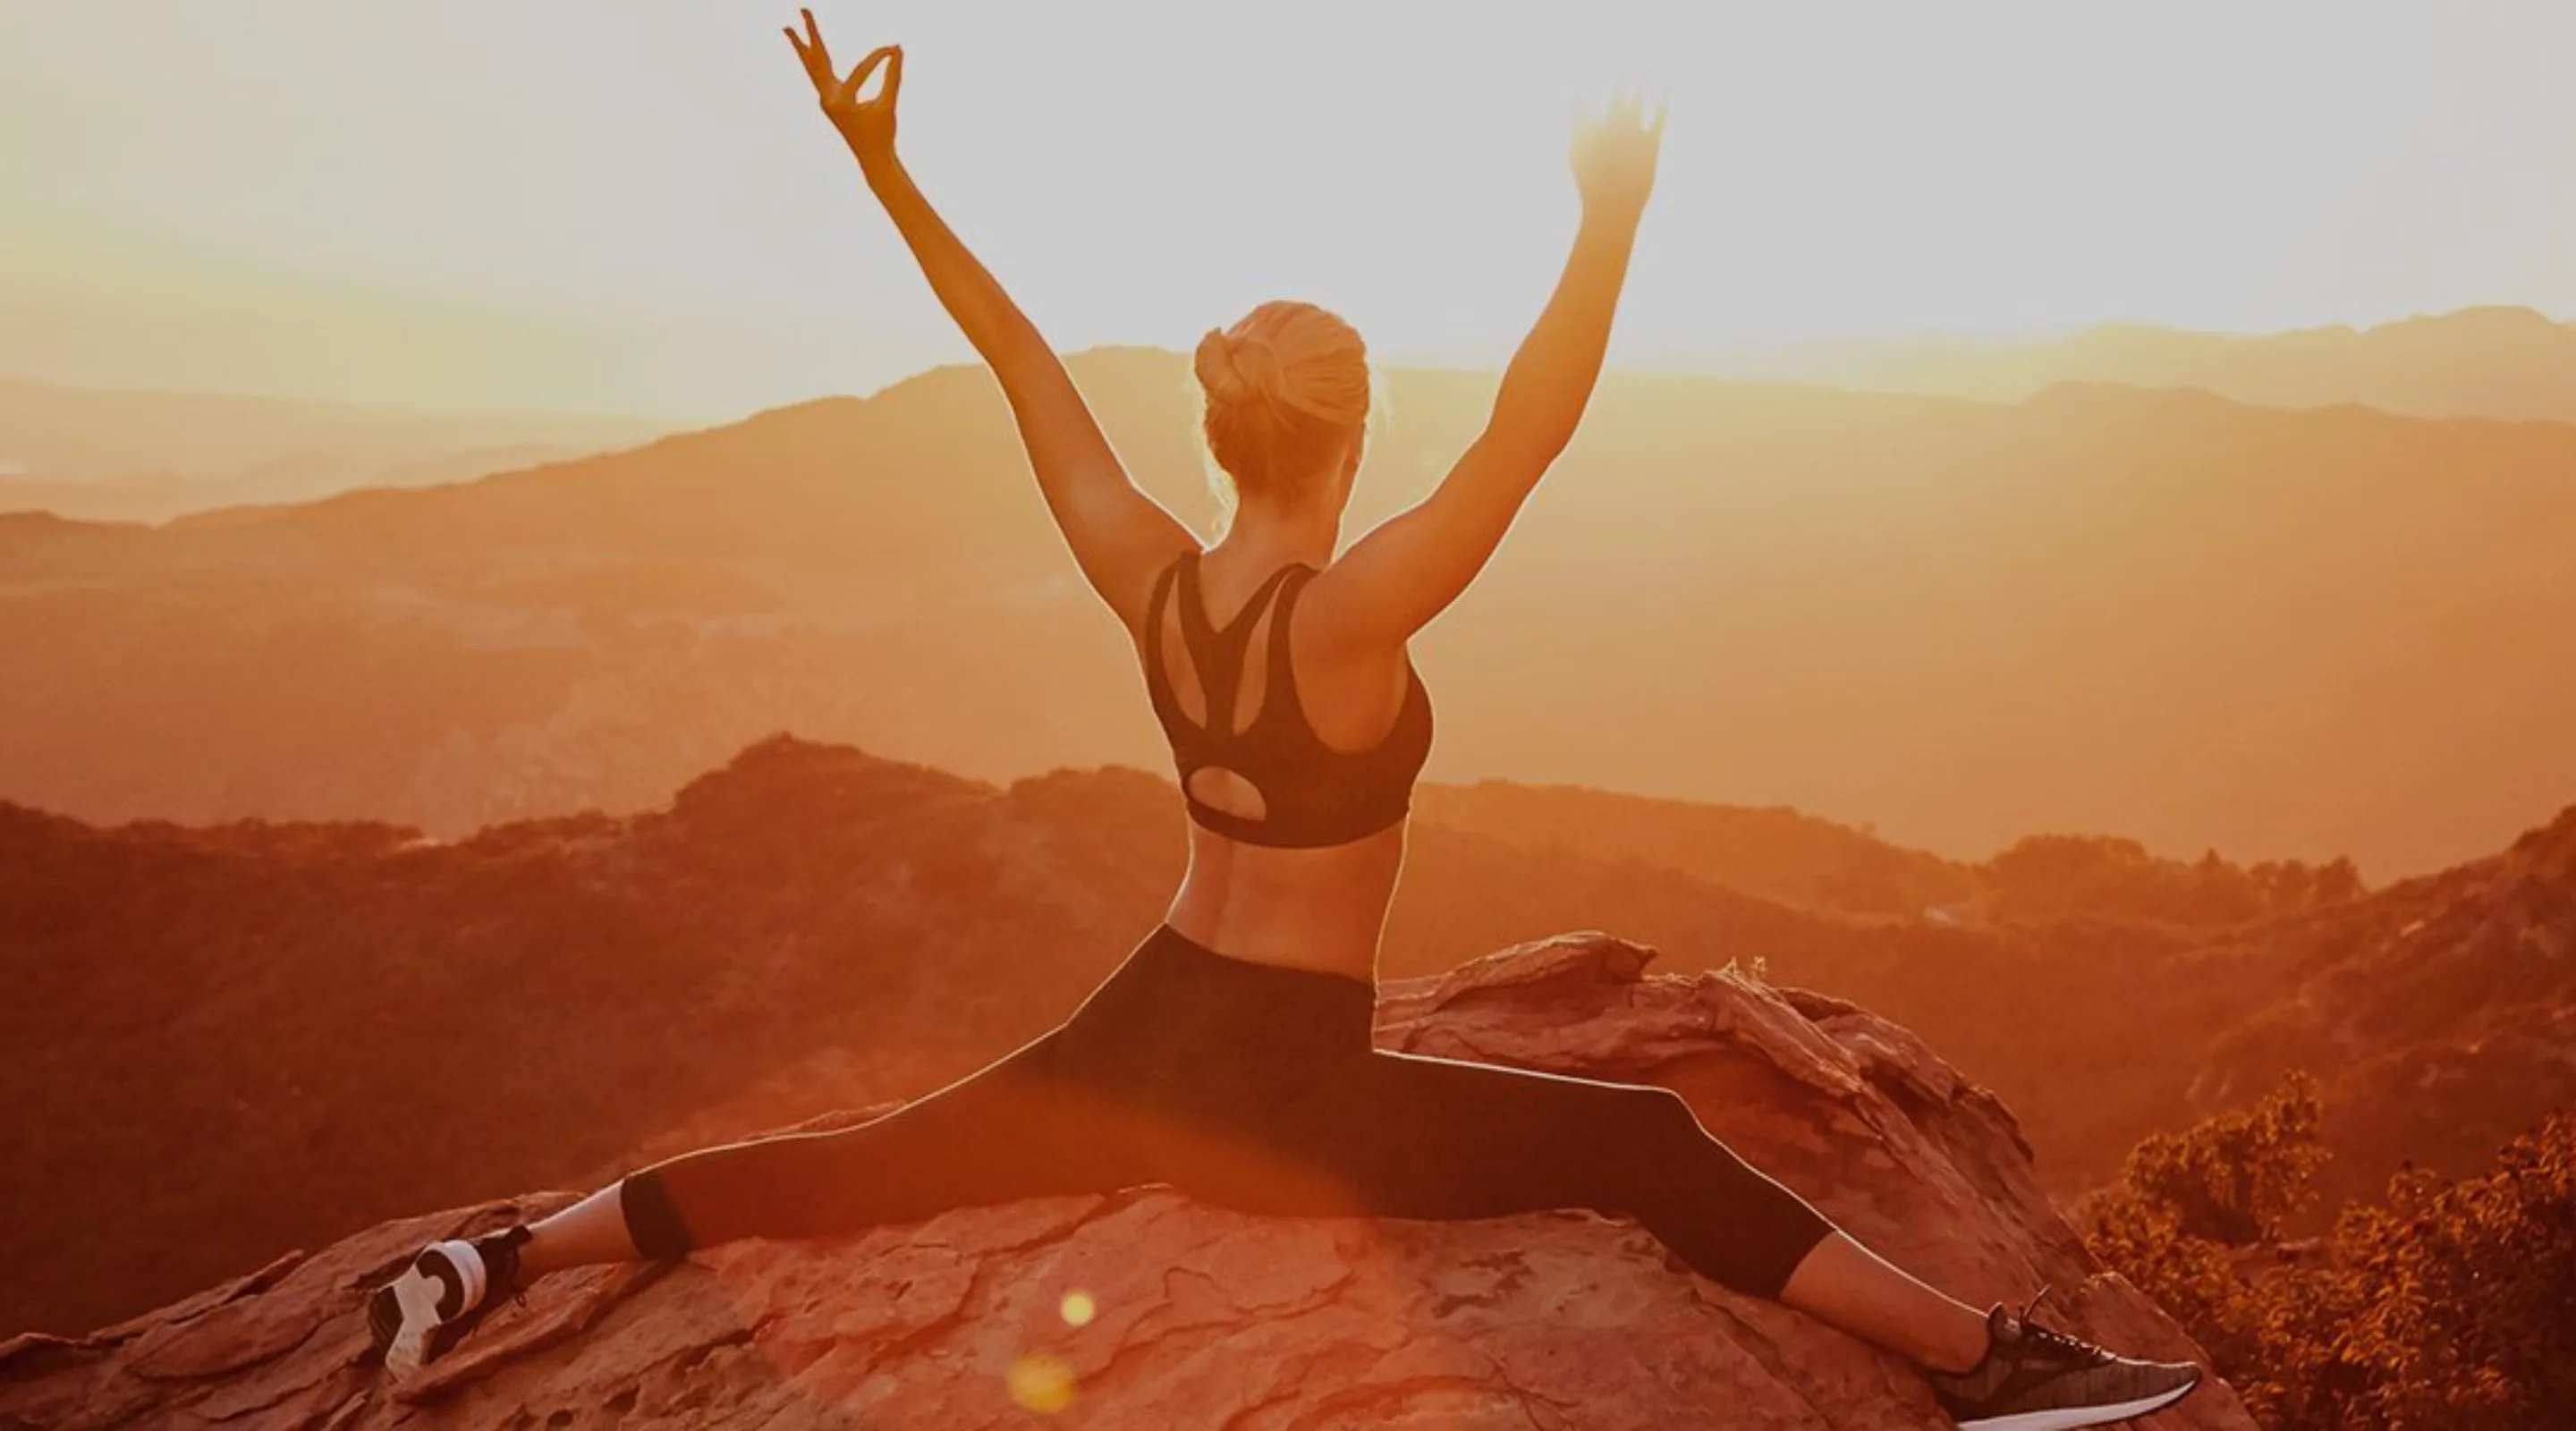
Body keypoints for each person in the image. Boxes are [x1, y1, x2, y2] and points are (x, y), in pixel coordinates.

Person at [371, 13, 2202, 1427]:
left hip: (1144, 1021)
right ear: (1348, 434)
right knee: (1636, 1142)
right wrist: (1609, 221)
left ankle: (495, 1257)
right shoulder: (1350, 618)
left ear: (1223, 433)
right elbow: (1529, 435)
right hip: (1283, 1082)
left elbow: (1016, 360)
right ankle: (1985, 1365)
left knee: (865, 1164)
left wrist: (883, 172)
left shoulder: (1151, 579)